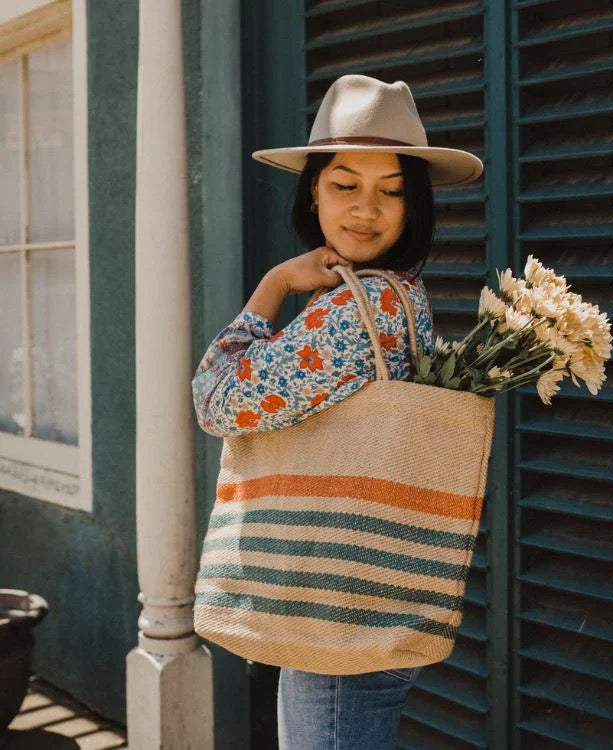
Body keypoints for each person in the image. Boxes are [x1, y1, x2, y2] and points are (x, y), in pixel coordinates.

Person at [191, 74, 483, 750]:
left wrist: (275, 284)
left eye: (392, 190)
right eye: (345, 184)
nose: (366, 209)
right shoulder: (405, 295)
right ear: (314, 191)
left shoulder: (358, 310)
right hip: (372, 599)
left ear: (416, 206)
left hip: (334, 615)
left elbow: (215, 400)